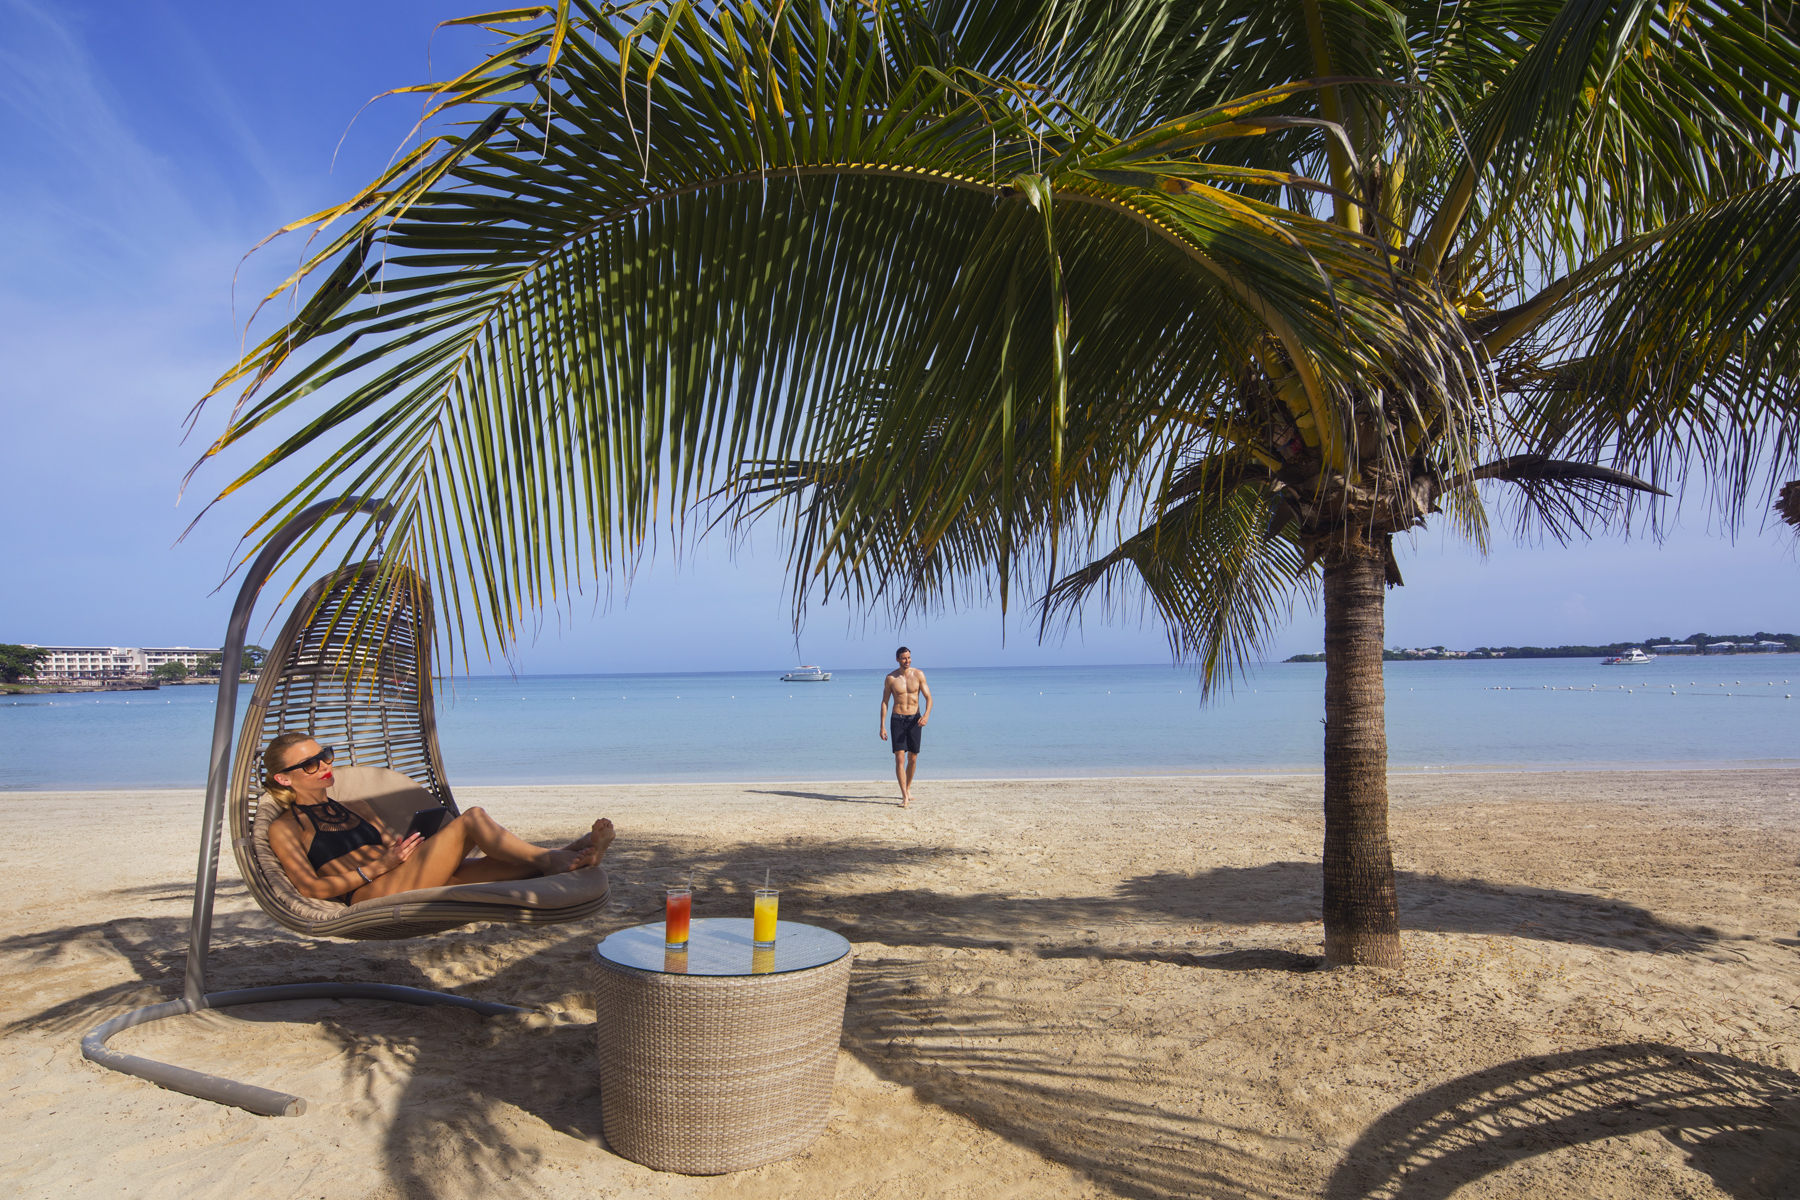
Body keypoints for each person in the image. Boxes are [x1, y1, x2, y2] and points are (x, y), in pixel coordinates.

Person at [261, 731, 613, 904]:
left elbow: (391, 849)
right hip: (370, 892)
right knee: (473, 819)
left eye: (325, 755)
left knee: (493, 869)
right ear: (284, 778)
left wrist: (409, 849)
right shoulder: (287, 827)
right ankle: (553, 857)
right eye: (310, 763)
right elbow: (311, 889)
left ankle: (573, 851)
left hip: (403, 874)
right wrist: (378, 867)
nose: (324, 765)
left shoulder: (358, 807)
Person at [878, 646, 932, 807]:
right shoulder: (891, 678)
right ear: (897, 659)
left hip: (915, 720)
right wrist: (882, 725)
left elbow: (929, 698)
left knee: (913, 758)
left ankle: (908, 788)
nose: (907, 660)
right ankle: (904, 796)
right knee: (899, 758)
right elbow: (885, 702)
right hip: (897, 720)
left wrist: (926, 716)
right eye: (903, 658)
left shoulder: (919, 674)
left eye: (908, 657)